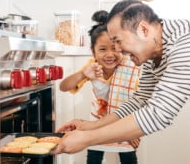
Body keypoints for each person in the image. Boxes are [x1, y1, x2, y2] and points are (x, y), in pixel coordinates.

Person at [52, 0, 190, 164]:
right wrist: (90, 126)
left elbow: (158, 114)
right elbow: (141, 100)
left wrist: (87, 139)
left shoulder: (189, 43)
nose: (118, 50)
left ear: (143, 30)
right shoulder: (152, 53)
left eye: (118, 41)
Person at [59, 10, 141, 164]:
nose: (110, 54)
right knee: (94, 158)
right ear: (93, 52)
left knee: (128, 158)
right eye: (102, 49)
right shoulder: (92, 67)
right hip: (96, 123)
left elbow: (140, 101)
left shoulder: (131, 66)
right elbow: (64, 87)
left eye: (115, 48)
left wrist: (135, 130)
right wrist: (83, 74)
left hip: (125, 124)